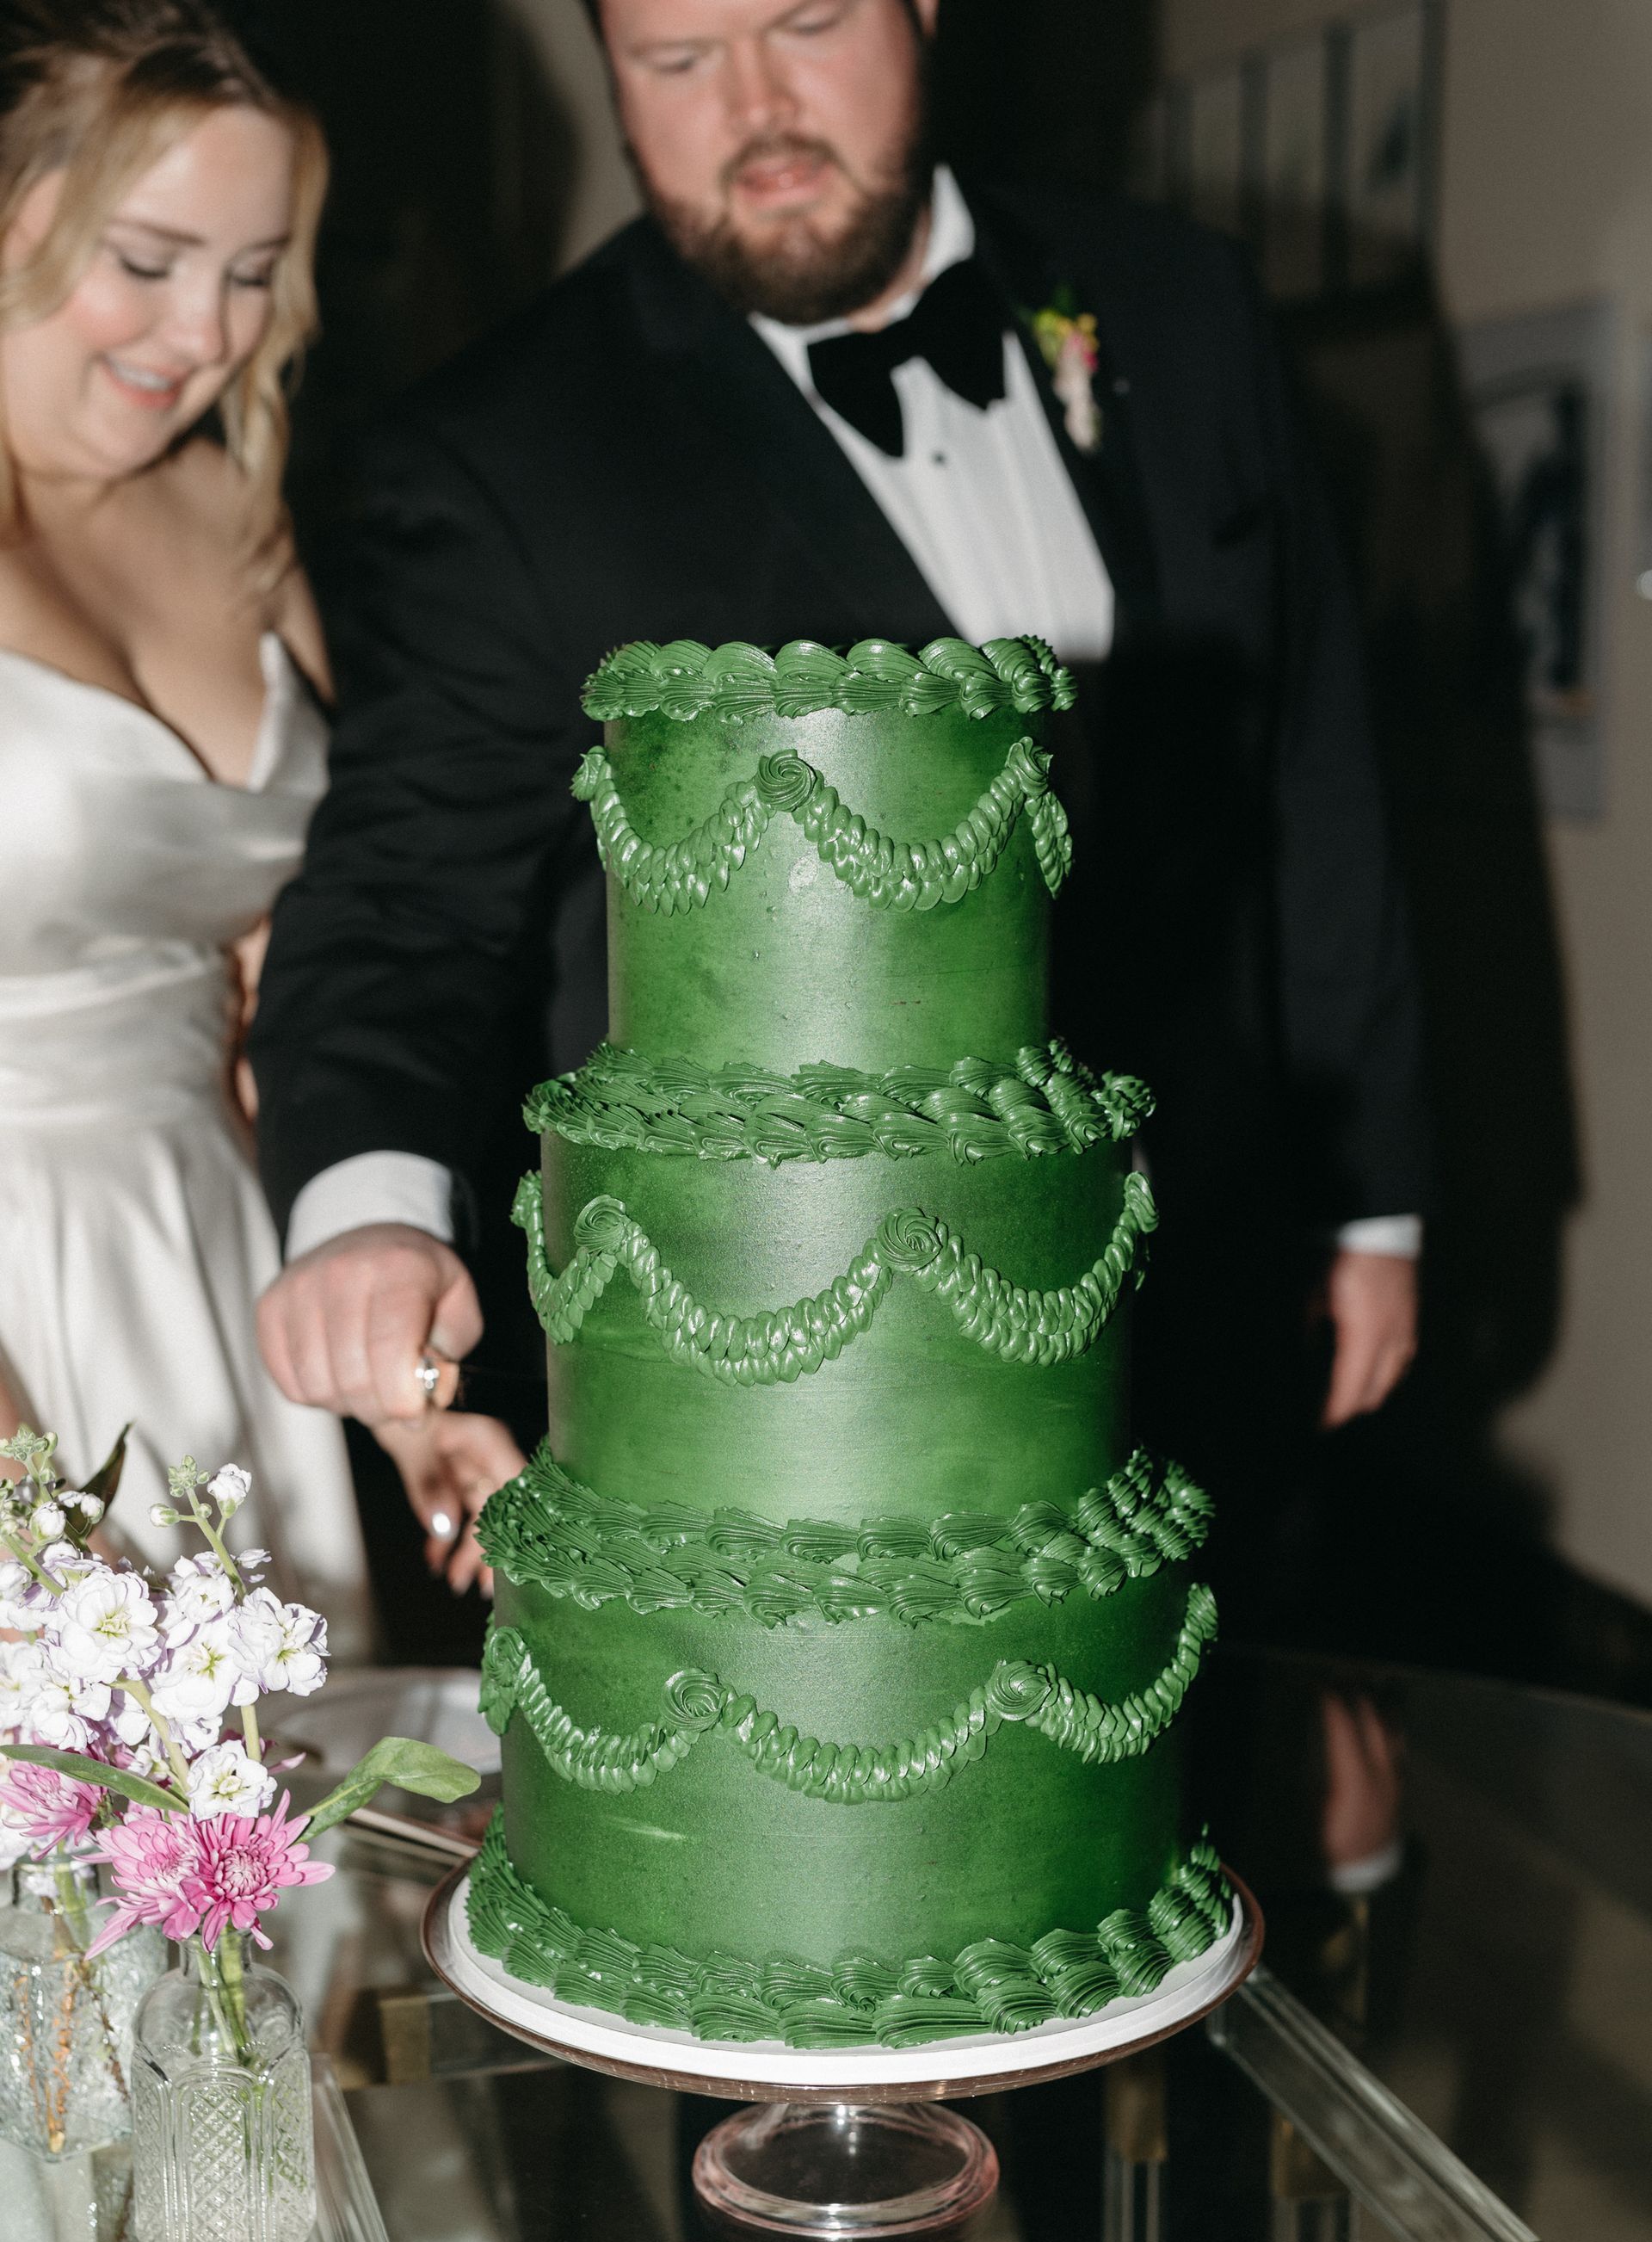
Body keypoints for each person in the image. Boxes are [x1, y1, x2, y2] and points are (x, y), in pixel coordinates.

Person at [251, 0, 1427, 1580]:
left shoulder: (1181, 298)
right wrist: (368, 1212)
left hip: (1212, 1276)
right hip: (807, 1396)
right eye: (676, 62)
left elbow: (1317, 761)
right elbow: (402, 897)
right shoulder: (499, 456)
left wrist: (1372, 1206)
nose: (757, 107)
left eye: (805, 25)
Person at [0, 0, 372, 1638]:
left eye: (250, 272)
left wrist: (387, 1361)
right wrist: (28, 1514)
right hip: (14, 1314)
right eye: (146, 260)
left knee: (273, 1857)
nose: (204, 332)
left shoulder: (239, 512)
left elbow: (283, 981)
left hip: (216, 1268)